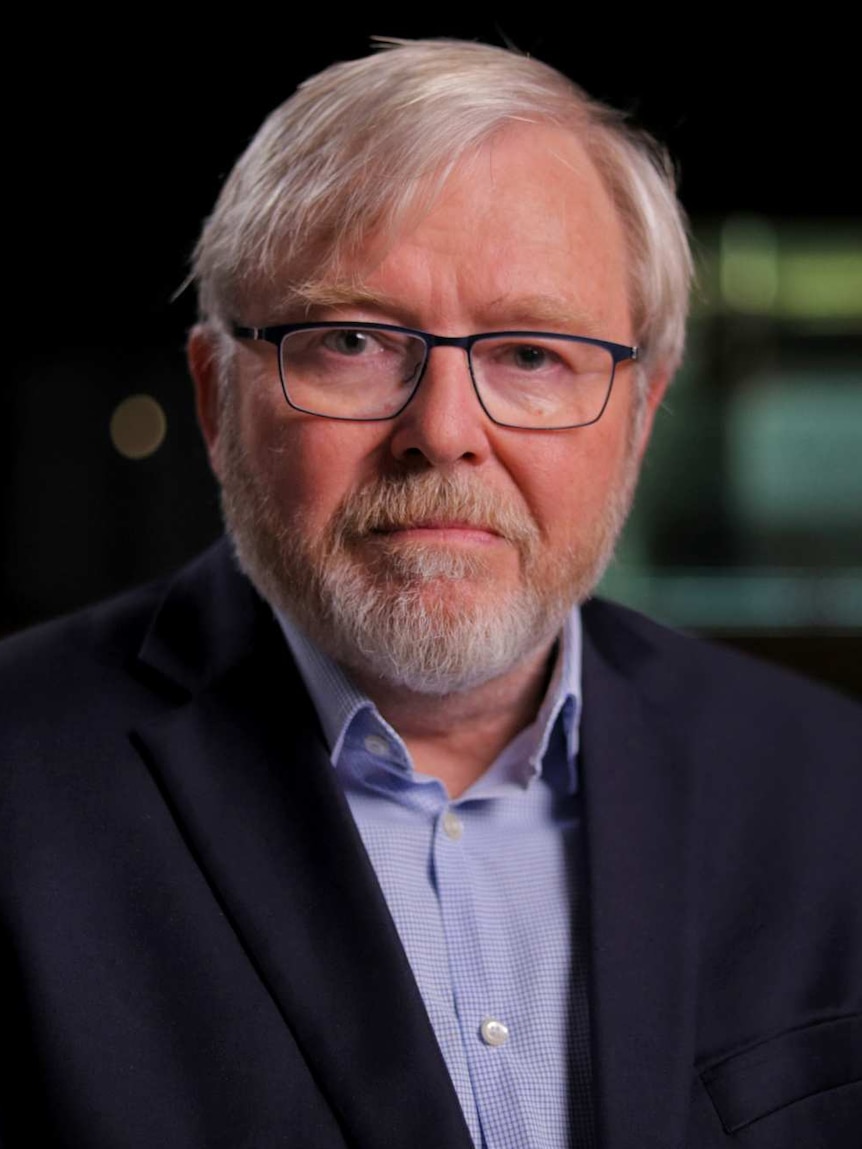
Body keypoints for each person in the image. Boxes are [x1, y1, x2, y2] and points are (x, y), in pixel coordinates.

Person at [1, 38, 859, 1149]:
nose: (444, 433)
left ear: (640, 418)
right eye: (352, 341)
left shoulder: (834, 791)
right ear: (217, 404)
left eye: (533, 355)